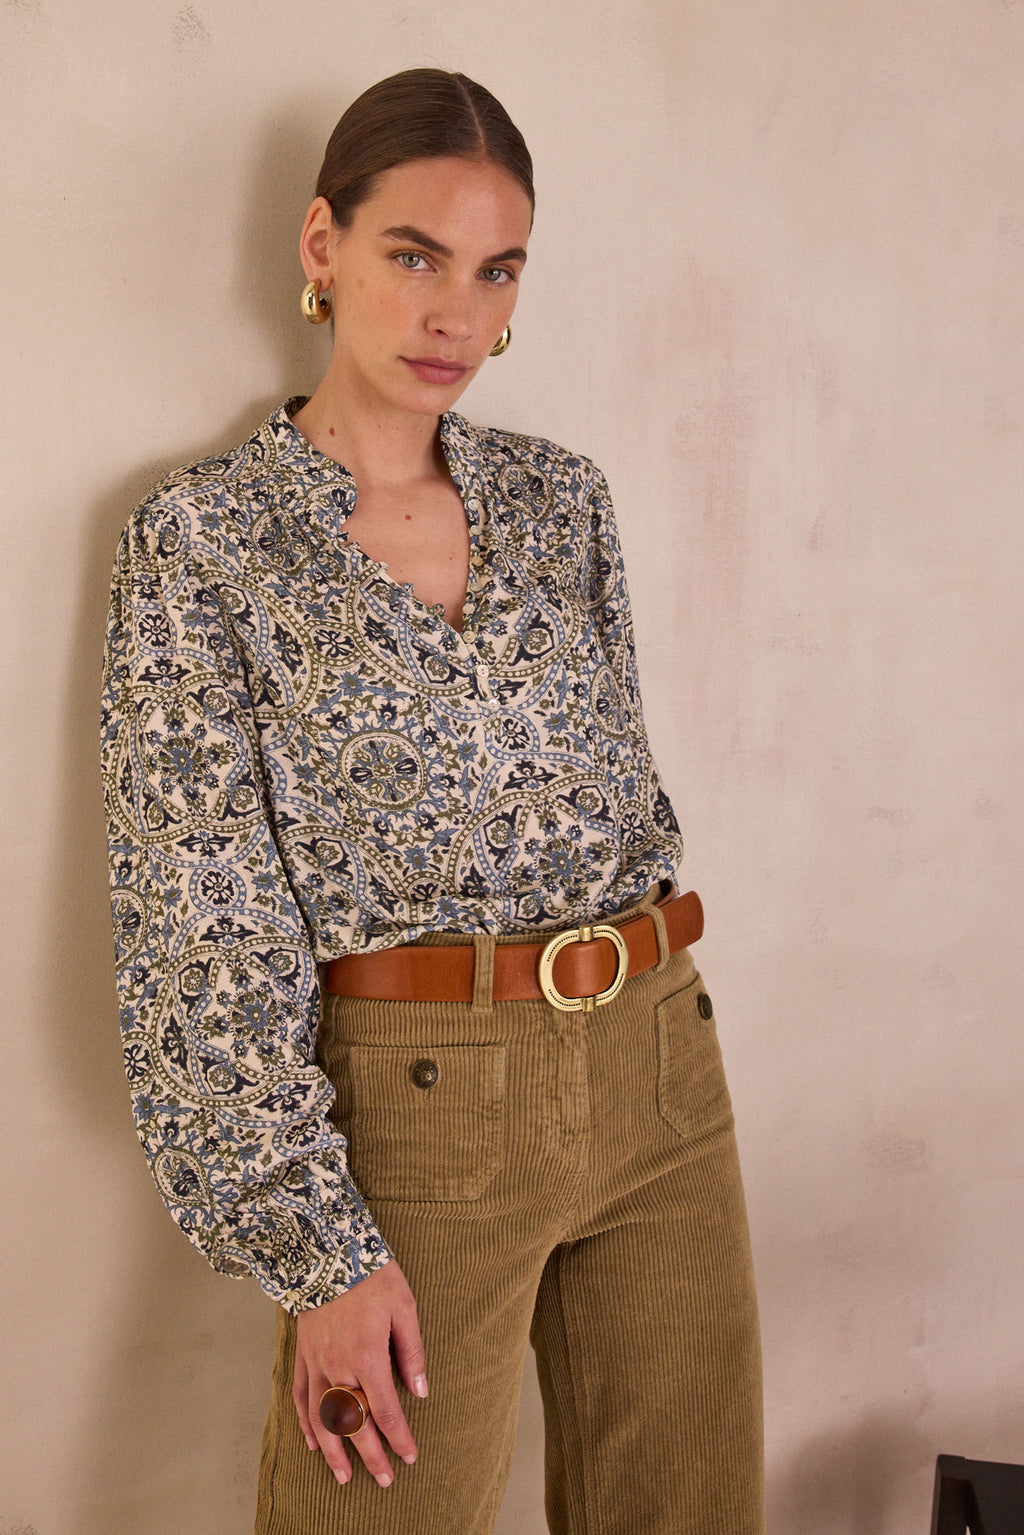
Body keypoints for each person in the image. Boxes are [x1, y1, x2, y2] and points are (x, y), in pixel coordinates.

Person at [101, 68, 763, 1535]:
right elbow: (199, 914)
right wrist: (317, 1252)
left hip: (660, 1065)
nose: (455, 313)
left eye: (496, 269)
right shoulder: (204, 542)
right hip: (421, 1105)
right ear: (321, 246)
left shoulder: (562, 502)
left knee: (696, 1512)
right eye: (415, 255)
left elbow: (615, 799)